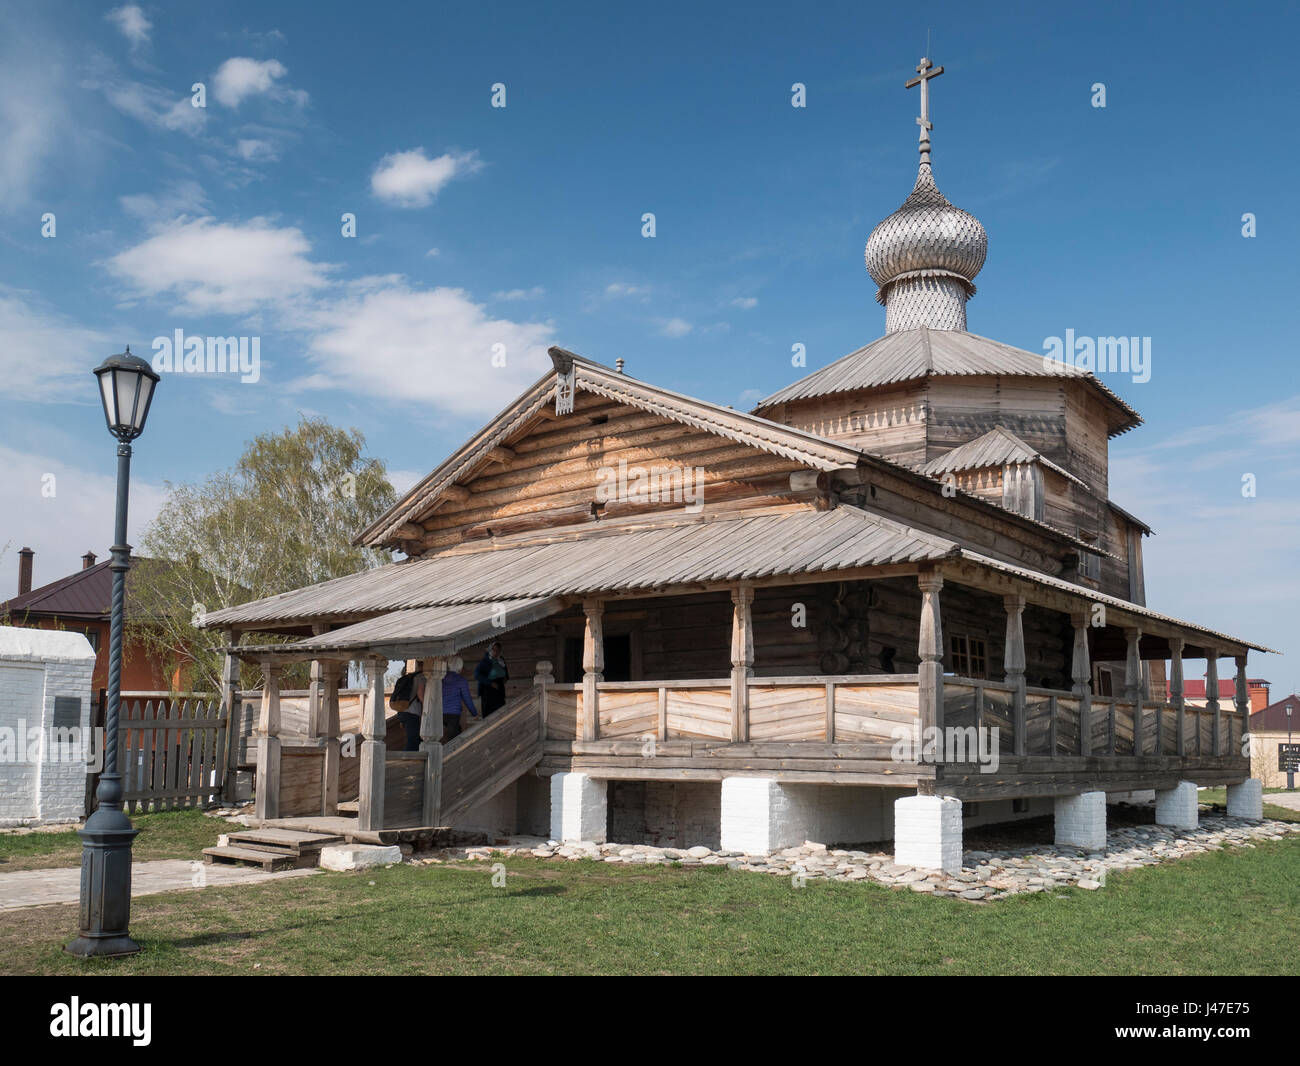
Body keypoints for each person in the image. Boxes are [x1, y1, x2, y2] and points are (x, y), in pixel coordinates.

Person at [441, 655, 479, 742]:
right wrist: (474, 713)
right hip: (453, 714)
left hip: (440, 714)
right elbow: (467, 699)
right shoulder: (461, 680)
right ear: (460, 668)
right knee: (453, 740)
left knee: (443, 738)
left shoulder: (441, 678)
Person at [393, 669, 425, 752]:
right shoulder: (421, 676)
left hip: (402, 711)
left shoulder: (408, 677)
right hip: (412, 712)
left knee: (414, 739)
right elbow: (420, 694)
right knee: (413, 740)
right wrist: (427, 705)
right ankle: (406, 761)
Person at [475, 641, 509, 717]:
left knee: (501, 712)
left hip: (499, 689)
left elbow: (505, 672)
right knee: (489, 714)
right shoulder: (485, 661)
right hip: (488, 690)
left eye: (499, 650)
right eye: (495, 650)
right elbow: (477, 675)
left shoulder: (501, 660)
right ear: (490, 649)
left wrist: (505, 678)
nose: (497, 652)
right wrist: (490, 683)